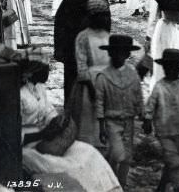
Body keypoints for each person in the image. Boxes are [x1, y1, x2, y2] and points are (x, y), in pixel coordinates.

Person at [19, 58, 121, 192]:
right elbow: (14, 134)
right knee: (70, 168)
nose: (48, 72)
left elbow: (49, 111)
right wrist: (41, 134)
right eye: (43, 69)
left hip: (48, 140)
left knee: (88, 152)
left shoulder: (39, 88)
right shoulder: (19, 94)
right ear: (31, 72)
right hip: (26, 146)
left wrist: (59, 123)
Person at [54, 0, 109, 101]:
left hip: (72, 49)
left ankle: (70, 117)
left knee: (72, 86)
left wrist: (59, 50)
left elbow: (59, 24)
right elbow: (107, 26)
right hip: (96, 51)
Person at [144, 48, 179, 192]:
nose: (170, 70)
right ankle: (178, 187)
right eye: (168, 67)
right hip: (164, 131)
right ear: (164, 67)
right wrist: (147, 119)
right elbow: (150, 105)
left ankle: (161, 187)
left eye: (174, 67)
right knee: (174, 162)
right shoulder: (159, 86)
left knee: (173, 161)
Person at [95, 34, 144, 189]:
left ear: (128, 54)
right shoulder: (103, 76)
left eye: (123, 52)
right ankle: (110, 180)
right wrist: (101, 125)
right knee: (117, 153)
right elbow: (99, 102)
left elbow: (138, 95)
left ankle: (120, 184)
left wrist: (143, 114)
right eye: (115, 52)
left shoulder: (132, 75)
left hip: (128, 120)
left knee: (127, 157)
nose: (118, 56)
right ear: (110, 53)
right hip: (111, 121)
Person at [70, 0, 111, 150]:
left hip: (106, 81)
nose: (105, 19)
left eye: (106, 15)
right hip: (89, 85)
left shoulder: (107, 36)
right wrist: (92, 88)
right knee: (88, 119)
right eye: (101, 15)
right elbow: (81, 64)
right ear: (92, 16)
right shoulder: (83, 36)